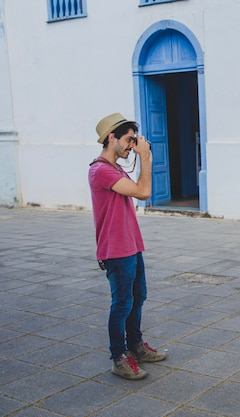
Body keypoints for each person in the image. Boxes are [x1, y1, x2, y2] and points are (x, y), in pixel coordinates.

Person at [88, 113, 166, 380]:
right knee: (121, 303)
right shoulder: (100, 170)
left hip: (131, 244)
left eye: (134, 140)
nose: (132, 145)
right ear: (112, 138)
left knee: (138, 296)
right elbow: (144, 192)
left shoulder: (118, 168)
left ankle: (136, 346)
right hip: (115, 249)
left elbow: (138, 190)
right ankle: (118, 357)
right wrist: (145, 158)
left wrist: (140, 156)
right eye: (128, 139)